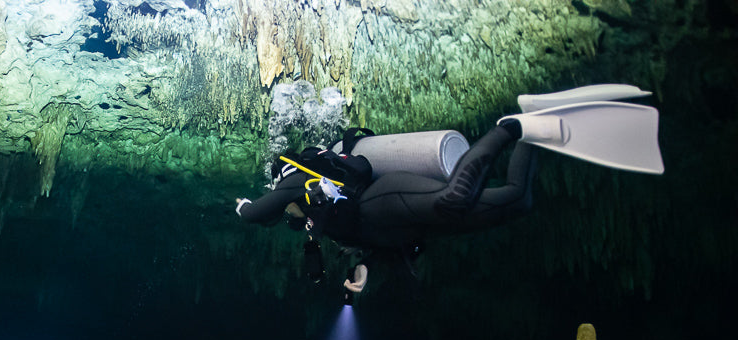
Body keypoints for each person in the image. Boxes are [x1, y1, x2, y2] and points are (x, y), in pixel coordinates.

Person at [236, 85, 665, 290]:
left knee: (454, 198)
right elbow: (369, 243)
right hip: (406, 225)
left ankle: (511, 128)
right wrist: (365, 269)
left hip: (386, 201)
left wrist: (240, 208)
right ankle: (536, 125)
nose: (289, 220)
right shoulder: (317, 215)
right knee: (517, 200)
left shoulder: (295, 181)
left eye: (285, 214)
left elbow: (258, 212)